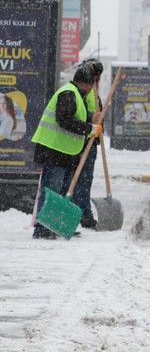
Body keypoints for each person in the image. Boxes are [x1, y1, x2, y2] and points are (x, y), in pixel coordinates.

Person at [31, 63, 103, 239]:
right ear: (86, 84)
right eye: (91, 85)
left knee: (63, 192)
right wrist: (88, 128)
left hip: (64, 153)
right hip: (53, 150)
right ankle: (42, 228)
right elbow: (64, 119)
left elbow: (73, 116)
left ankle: (55, 225)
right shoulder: (68, 93)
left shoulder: (76, 95)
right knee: (52, 190)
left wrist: (89, 120)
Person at [72, 59, 104, 229]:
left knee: (84, 179)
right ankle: (83, 215)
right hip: (83, 140)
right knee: (81, 179)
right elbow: (81, 112)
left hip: (89, 138)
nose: (97, 82)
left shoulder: (92, 91)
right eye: (96, 79)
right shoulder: (83, 90)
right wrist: (93, 121)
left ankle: (83, 214)